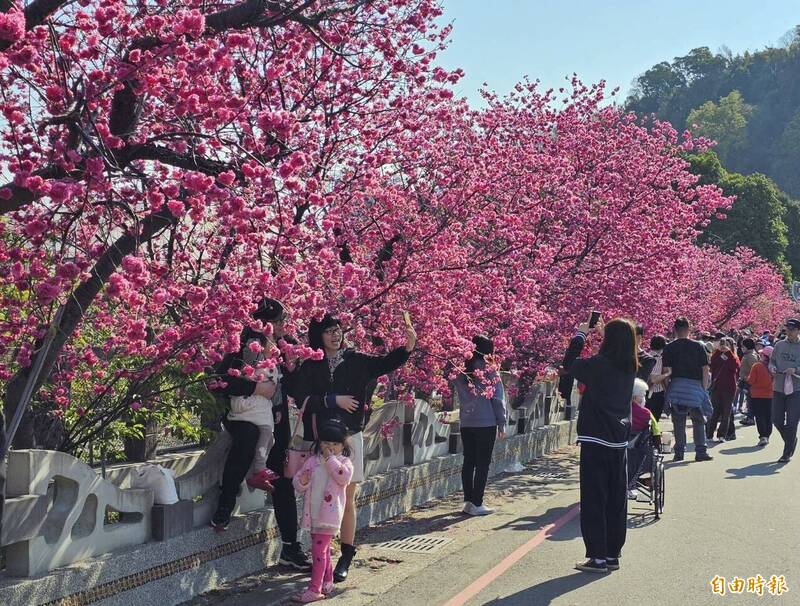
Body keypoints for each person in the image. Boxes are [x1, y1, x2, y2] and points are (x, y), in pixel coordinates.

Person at [291, 313, 416, 582]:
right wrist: (332, 400)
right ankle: (321, 555)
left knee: (347, 496)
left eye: (338, 329)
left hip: (350, 437)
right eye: (328, 331)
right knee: (318, 496)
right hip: (322, 440)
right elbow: (301, 398)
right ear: (319, 336)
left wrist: (407, 347)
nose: (335, 335)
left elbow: (384, 364)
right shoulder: (311, 364)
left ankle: (347, 552)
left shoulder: (356, 360)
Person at [211, 299, 310, 571]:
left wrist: (292, 367)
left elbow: (299, 389)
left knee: (282, 479)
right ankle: (225, 504)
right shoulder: (243, 347)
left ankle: (291, 546)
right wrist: (255, 389)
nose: (282, 327)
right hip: (244, 417)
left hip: (276, 419)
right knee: (247, 439)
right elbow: (219, 381)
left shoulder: (285, 346)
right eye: (278, 321)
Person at [565, 317, 637, 574]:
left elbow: (570, 363)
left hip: (595, 440)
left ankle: (596, 557)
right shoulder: (631, 366)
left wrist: (581, 335)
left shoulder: (598, 365)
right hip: (619, 441)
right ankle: (612, 554)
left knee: (595, 498)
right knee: (616, 500)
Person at [292, 418, 354, 603]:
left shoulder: (344, 463)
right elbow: (298, 482)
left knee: (318, 550)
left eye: (335, 444)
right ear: (320, 442)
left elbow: (343, 478)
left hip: (330, 516)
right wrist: (302, 480)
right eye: (327, 443)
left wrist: (331, 459)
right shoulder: (313, 461)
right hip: (314, 513)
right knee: (323, 550)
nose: (330, 447)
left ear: (343, 445)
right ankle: (327, 581)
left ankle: (314, 589)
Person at [451, 336, 507, 516]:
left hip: (466, 422)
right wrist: (502, 423)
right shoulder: (490, 370)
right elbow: (498, 399)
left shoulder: (461, 370)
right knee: (483, 464)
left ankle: (468, 501)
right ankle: (477, 502)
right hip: (486, 422)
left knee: (469, 462)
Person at [662, 317, 713, 462]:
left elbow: (666, 371)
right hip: (695, 386)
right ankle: (701, 451)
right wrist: (703, 388)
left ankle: (679, 452)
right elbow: (705, 369)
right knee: (698, 420)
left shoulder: (669, 347)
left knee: (678, 421)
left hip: (677, 385)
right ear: (689, 328)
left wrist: (668, 389)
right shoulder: (699, 346)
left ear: (675, 330)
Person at [768, 319, 800, 463]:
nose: (789, 332)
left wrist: (796, 369)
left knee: (792, 422)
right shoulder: (779, 345)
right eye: (788, 329)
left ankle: (786, 453)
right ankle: (791, 439)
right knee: (776, 419)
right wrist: (772, 367)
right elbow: (772, 361)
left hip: (796, 389)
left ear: (798, 330)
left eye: (792, 329)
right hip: (779, 387)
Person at [627, 378, 661, 499]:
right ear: (636, 397)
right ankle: (631, 486)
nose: (644, 399)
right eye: (642, 396)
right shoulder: (646, 414)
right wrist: (658, 446)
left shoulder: (619, 410)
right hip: (638, 452)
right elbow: (656, 431)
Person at [707, 337, 740, 442]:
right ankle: (709, 435)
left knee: (726, 413)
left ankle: (722, 435)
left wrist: (729, 352)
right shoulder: (716, 355)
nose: (724, 346)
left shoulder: (733, 356)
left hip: (729, 388)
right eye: (722, 344)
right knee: (715, 412)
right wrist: (718, 351)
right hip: (717, 388)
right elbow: (712, 364)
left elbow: (735, 366)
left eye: (726, 344)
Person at [747, 345, 774, 447]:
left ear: (764, 355)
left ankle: (763, 436)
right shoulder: (774, 367)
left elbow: (751, 380)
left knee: (760, 416)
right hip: (771, 395)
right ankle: (767, 435)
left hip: (757, 395)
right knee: (769, 416)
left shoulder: (757, 366)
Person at [645, 335, 670, 421]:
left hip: (645, 391)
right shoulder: (657, 358)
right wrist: (667, 374)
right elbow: (654, 379)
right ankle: (652, 434)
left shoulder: (646, 355)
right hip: (655, 392)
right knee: (654, 418)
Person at [739, 338, 759, 426]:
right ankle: (749, 417)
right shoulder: (748, 355)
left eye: (743, 346)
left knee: (750, 400)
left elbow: (755, 369)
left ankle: (750, 418)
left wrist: (748, 378)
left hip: (749, 381)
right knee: (749, 400)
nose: (741, 348)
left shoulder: (751, 356)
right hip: (746, 380)